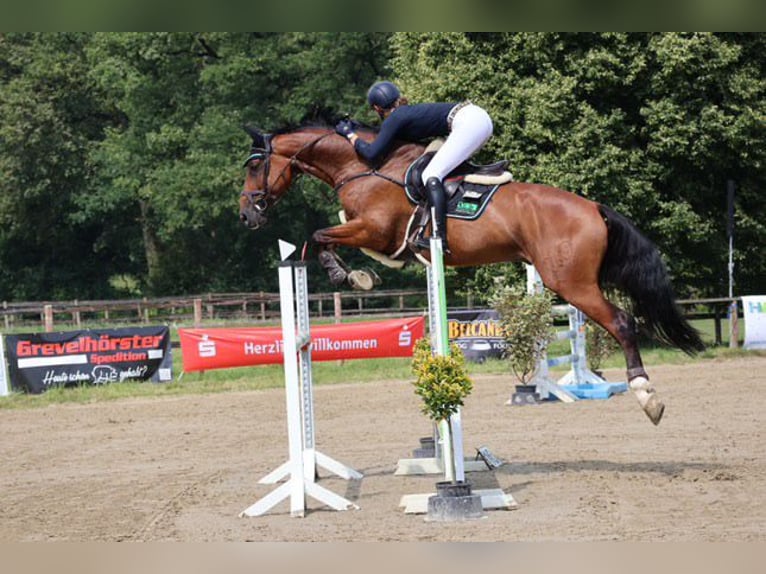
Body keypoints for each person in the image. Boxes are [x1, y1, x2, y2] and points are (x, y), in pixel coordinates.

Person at [335, 81, 493, 253]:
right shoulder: (403, 114)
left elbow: (372, 153)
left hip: (469, 122)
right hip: (476, 118)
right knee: (445, 168)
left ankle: (439, 237)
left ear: (377, 108)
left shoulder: (395, 118)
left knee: (430, 175)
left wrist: (349, 133)